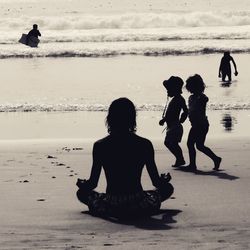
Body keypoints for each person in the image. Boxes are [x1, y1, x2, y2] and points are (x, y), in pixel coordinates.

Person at [76, 97, 174, 218]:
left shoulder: (100, 145)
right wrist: (164, 181)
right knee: (167, 189)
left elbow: (93, 183)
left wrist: (83, 185)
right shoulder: (144, 144)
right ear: (132, 119)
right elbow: (156, 182)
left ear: (110, 119)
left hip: (112, 203)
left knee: (81, 193)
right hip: (138, 202)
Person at [185, 74, 222, 171]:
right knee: (198, 145)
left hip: (201, 125)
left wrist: (201, 96)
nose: (190, 89)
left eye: (191, 87)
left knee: (193, 144)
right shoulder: (191, 98)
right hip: (196, 125)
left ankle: (193, 165)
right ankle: (215, 159)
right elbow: (190, 110)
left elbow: (205, 99)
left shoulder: (201, 97)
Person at [159, 76, 188, 167]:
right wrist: (164, 119)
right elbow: (170, 114)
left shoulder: (179, 99)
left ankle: (180, 159)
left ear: (175, 89)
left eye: (169, 90)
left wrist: (183, 117)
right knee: (169, 143)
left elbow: (185, 110)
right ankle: (179, 158)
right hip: (172, 126)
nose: (167, 92)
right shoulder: (175, 99)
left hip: (175, 126)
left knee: (171, 143)